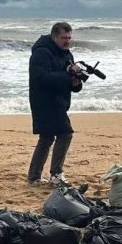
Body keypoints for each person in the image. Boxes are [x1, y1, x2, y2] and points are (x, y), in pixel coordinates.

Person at [27, 22, 84, 187]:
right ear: (54, 37)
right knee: (65, 133)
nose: (67, 41)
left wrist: (76, 82)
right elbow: (40, 77)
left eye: (69, 38)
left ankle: (34, 177)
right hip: (44, 102)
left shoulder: (67, 54)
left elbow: (73, 85)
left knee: (46, 138)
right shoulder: (41, 53)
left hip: (59, 101)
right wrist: (67, 76)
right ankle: (56, 174)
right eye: (63, 38)